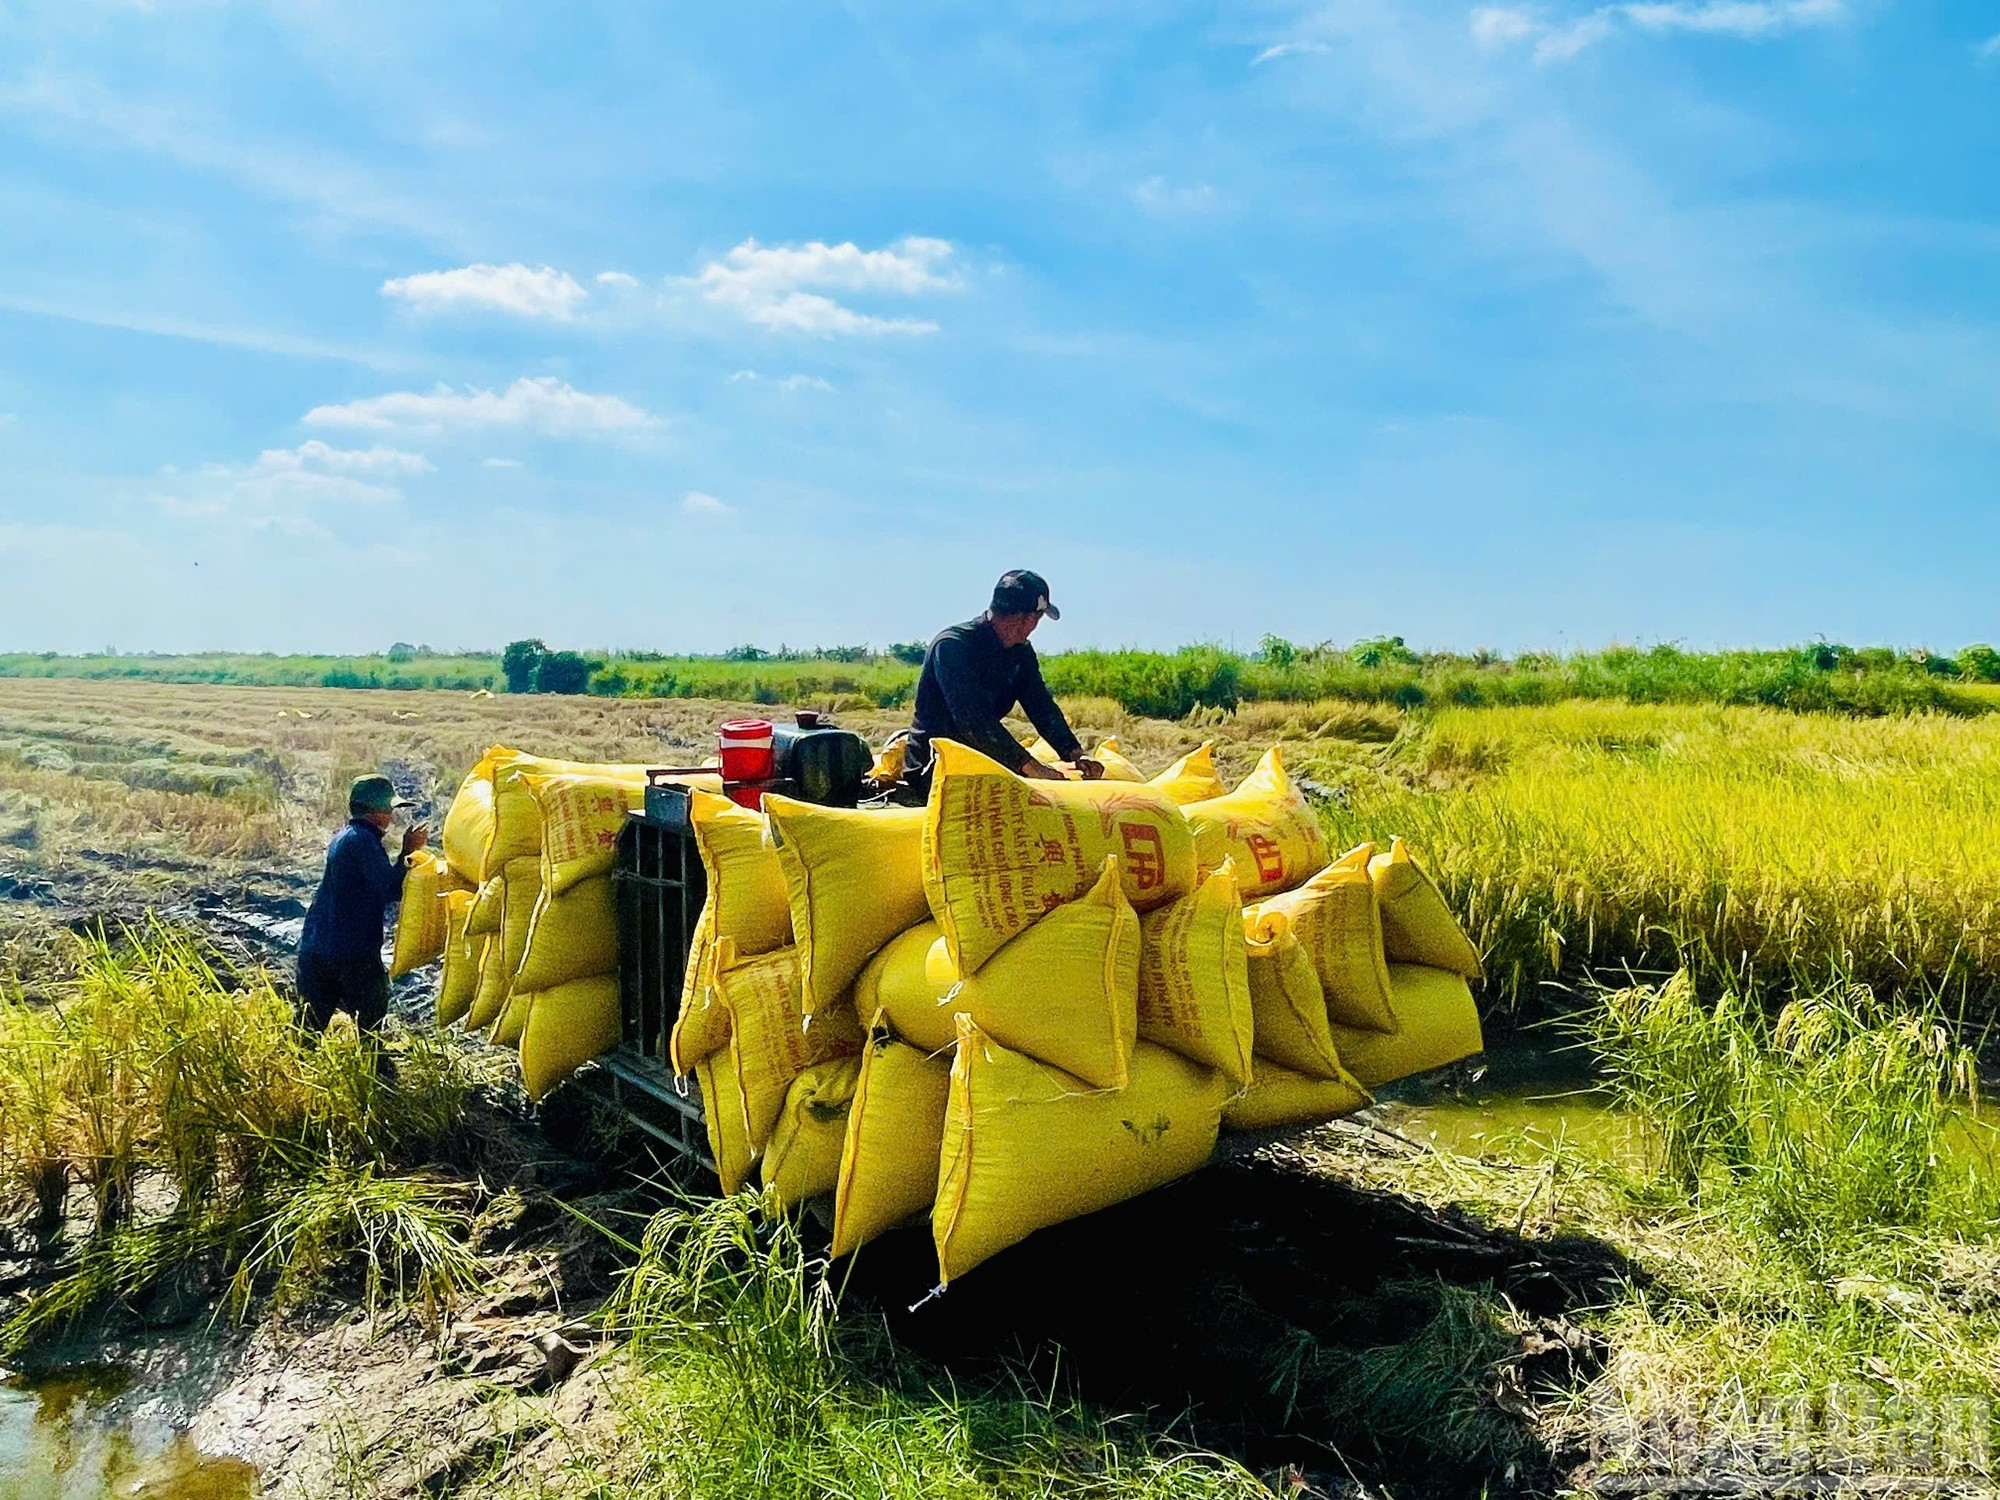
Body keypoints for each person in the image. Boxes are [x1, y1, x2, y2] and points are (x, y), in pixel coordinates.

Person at [902, 569, 1101, 793]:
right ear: (1028, 618)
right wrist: (1030, 767)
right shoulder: (952, 646)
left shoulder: (1020, 653)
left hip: (982, 759)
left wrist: (1074, 753)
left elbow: (1041, 706)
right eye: (1038, 619)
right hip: (933, 765)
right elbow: (973, 720)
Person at [297, 773, 428, 1046]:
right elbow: (389, 889)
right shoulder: (364, 841)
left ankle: (292, 1068)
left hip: (316, 946)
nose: (391, 817)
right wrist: (408, 852)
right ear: (375, 811)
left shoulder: (343, 837)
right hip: (351, 952)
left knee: (309, 1028)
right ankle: (374, 1069)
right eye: (389, 810)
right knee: (370, 1025)